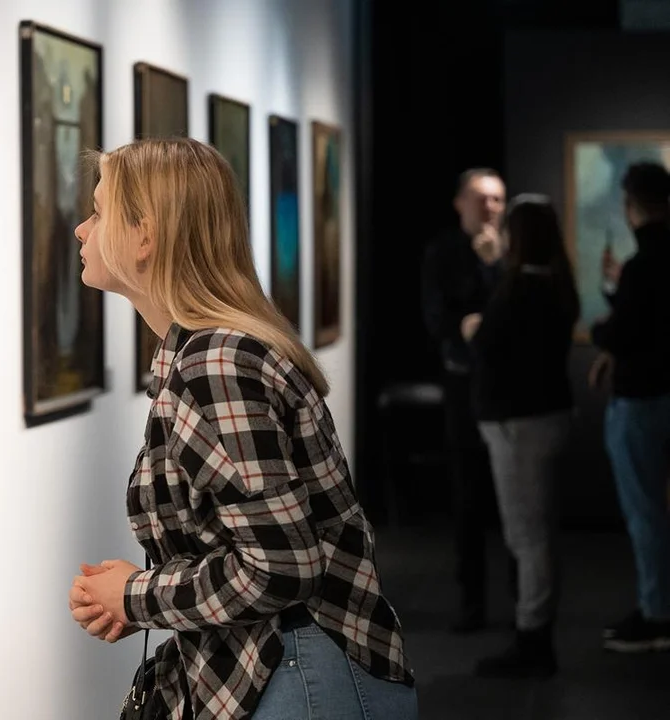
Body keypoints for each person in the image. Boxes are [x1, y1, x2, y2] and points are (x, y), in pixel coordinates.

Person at [64, 137, 417, 720]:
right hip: (281, 674)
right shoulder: (198, 355)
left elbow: (281, 567)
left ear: (145, 236)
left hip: (302, 681)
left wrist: (135, 596)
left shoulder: (216, 364)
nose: (81, 229)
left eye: (98, 212)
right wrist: (140, 604)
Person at [462, 195, 579, 678]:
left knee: (527, 536)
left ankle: (533, 639)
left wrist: (474, 328)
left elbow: (489, 341)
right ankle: (534, 631)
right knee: (536, 533)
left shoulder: (522, 290)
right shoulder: (556, 284)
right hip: (545, 417)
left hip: (520, 425)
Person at [421, 168, 510, 633]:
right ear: (460, 203)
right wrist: (466, 325)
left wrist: (496, 268)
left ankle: (523, 606)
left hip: (510, 392)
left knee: (515, 504)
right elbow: (438, 320)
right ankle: (472, 603)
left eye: (497, 199)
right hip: (464, 389)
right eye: (481, 199)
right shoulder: (443, 252)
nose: (490, 208)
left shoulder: (513, 254)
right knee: (469, 500)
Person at [591, 162, 670, 653]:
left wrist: (603, 332)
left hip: (641, 401)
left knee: (645, 512)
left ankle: (658, 613)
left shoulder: (643, 265)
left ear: (629, 203)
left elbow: (626, 331)